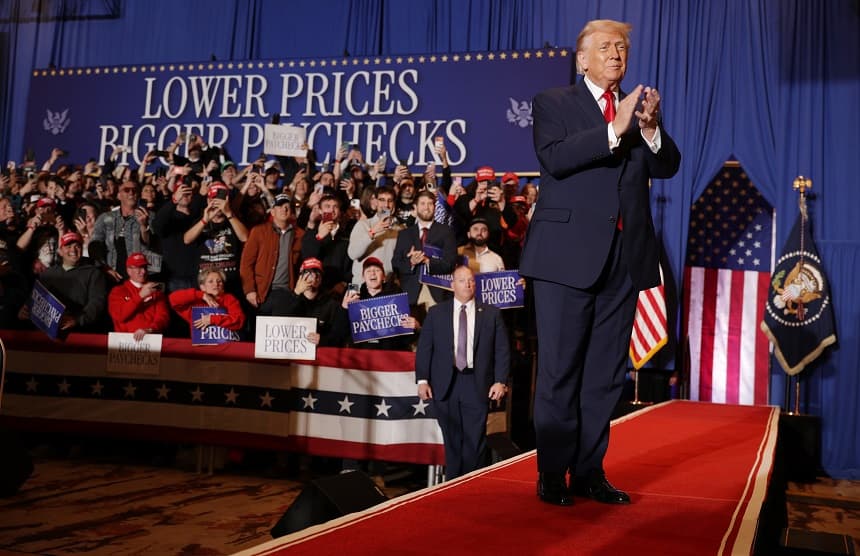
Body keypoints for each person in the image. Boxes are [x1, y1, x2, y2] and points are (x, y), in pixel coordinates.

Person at [520, 19, 681, 506]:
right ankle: (551, 473)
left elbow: (667, 165)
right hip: (565, 260)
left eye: (623, 48)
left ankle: (589, 471)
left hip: (623, 261)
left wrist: (649, 129)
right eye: (607, 47)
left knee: (605, 376)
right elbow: (556, 158)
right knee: (560, 371)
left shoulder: (637, 108)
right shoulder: (554, 102)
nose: (617, 55)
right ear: (583, 58)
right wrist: (616, 128)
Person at [415, 265, 509, 480]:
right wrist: (422, 380)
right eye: (462, 280)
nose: (468, 284)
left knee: (475, 439)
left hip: (476, 383)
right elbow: (425, 348)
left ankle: (471, 485)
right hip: (445, 385)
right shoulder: (436, 313)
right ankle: (453, 484)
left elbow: (502, 350)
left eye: (471, 280)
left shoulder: (491, 314)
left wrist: (500, 380)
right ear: (452, 285)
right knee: (452, 439)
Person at [21, 231, 109, 333]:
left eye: (77, 246)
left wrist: (78, 320)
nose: (73, 250)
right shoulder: (48, 273)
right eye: (68, 246)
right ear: (60, 251)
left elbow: (97, 303)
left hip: (78, 332)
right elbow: (36, 298)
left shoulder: (94, 273)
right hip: (47, 331)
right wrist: (26, 309)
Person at [392, 190, 457, 314]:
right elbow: (395, 264)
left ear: (435, 207)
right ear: (415, 207)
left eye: (430, 204)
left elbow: (451, 263)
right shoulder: (404, 234)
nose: (426, 207)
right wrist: (411, 262)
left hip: (439, 293)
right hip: (411, 295)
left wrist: (427, 261)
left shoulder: (446, 232)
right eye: (422, 203)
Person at [240, 193, 304, 316]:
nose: (284, 209)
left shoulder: (300, 234)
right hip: (263, 291)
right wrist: (249, 290)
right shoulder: (259, 231)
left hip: (287, 291)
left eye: (287, 206)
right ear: (272, 212)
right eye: (279, 206)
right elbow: (246, 263)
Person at [107, 252, 170, 340]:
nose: (143, 271)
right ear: (129, 270)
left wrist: (149, 330)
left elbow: (163, 317)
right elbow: (119, 316)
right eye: (139, 268)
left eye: (144, 267)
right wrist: (140, 296)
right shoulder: (118, 291)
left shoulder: (155, 291)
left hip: (151, 340)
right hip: (124, 343)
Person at [168, 269, 246, 333]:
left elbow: (239, 321)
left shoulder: (229, 299)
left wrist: (212, 319)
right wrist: (201, 295)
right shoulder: (196, 302)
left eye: (219, 281)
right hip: (201, 348)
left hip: (225, 346)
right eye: (210, 281)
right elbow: (173, 300)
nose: (216, 284)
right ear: (202, 287)